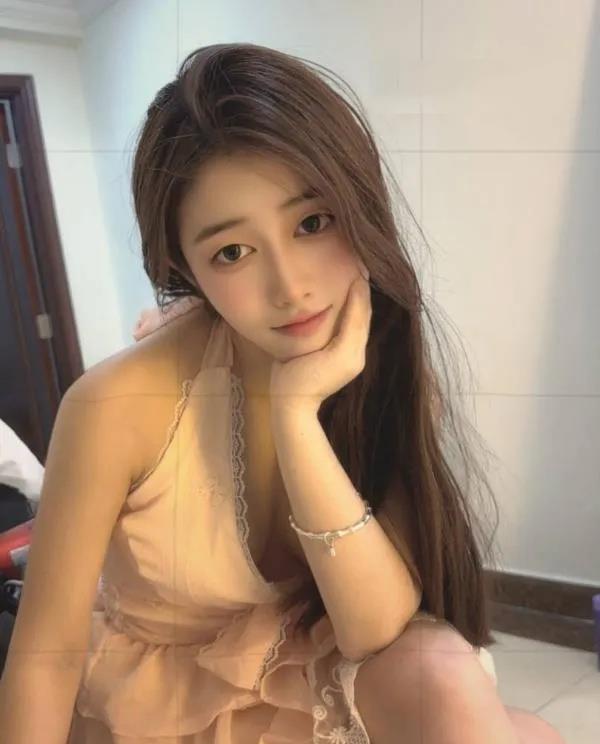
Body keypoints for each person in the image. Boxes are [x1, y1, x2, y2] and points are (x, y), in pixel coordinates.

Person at [0, 43, 565, 744]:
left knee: (451, 681)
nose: (291, 287)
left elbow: (374, 628)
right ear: (187, 271)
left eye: (312, 223)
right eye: (232, 252)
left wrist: (298, 419)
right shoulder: (114, 406)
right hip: (157, 706)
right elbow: (44, 659)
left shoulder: (383, 363)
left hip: (302, 660)